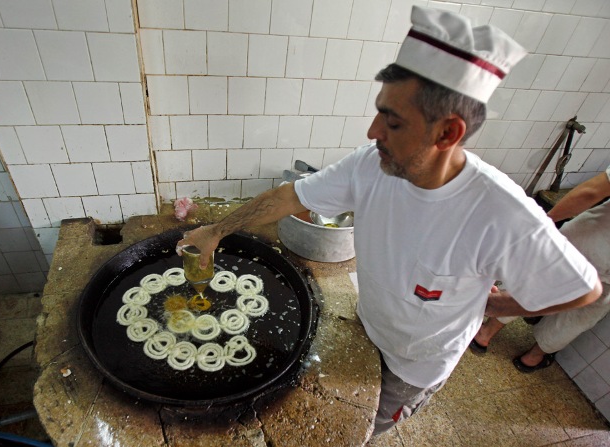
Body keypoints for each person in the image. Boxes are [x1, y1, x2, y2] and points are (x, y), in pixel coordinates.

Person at [176, 6, 602, 436]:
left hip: (413, 366)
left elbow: (583, 290)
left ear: (447, 134)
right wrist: (215, 231)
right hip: (368, 321)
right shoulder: (372, 165)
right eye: (380, 111)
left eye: (393, 122)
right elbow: (291, 194)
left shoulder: (502, 214)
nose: (372, 131)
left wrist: (496, 306)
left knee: (357, 430)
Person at [470, 168, 610, 372]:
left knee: (538, 280)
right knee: (585, 313)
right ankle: (533, 357)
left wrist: (548, 219)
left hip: (592, 237)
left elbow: (591, 192)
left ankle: (485, 334)